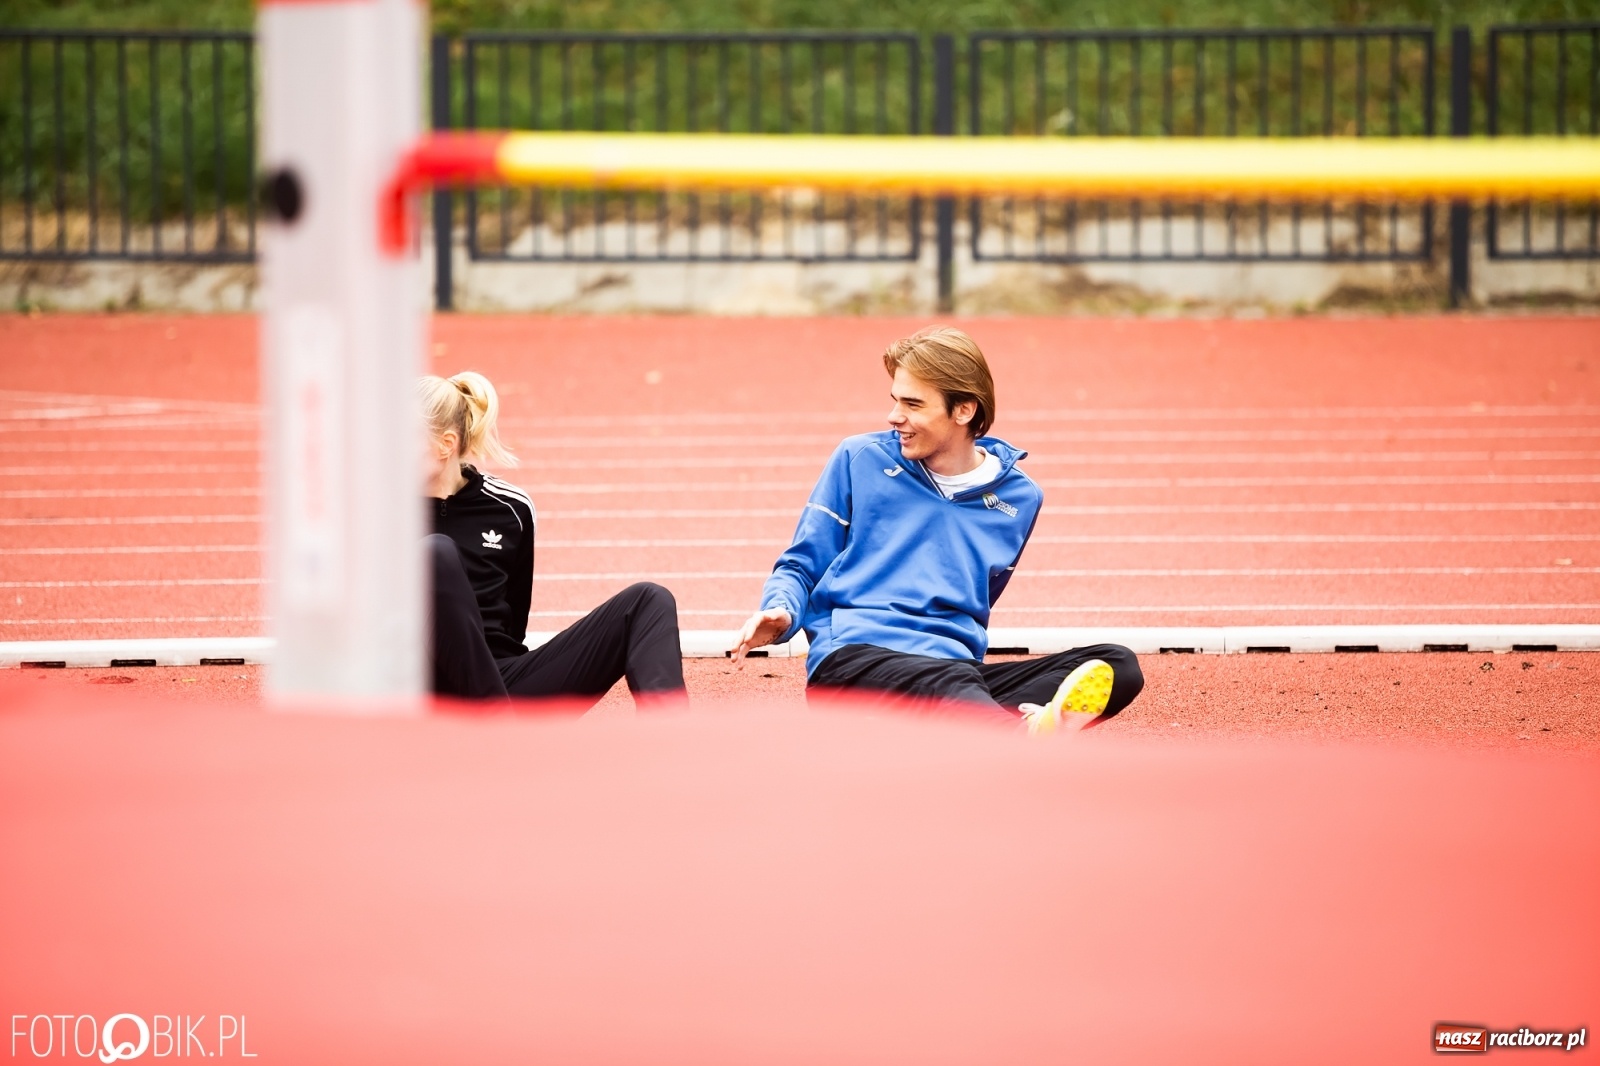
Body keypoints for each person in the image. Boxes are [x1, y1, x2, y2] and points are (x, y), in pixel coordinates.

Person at [729, 327, 1143, 734]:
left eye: (913, 404)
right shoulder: (860, 458)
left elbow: (980, 594)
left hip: (957, 671)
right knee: (950, 685)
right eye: (895, 400)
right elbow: (802, 564)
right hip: (854, 662)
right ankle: (1016, 737)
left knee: (1116, 665)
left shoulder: (1020, 498)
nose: (895, 417)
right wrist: (782, 611)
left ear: (963, 410)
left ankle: (987, 728)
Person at [421, 371, 687, 708]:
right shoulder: (378, 517)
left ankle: (671, 742)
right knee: (435, 553)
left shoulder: (511, 508)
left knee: (648, 601)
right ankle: (495, 731)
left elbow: (513, 625)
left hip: (501, 686)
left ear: (445, 445)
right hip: (418, 695)